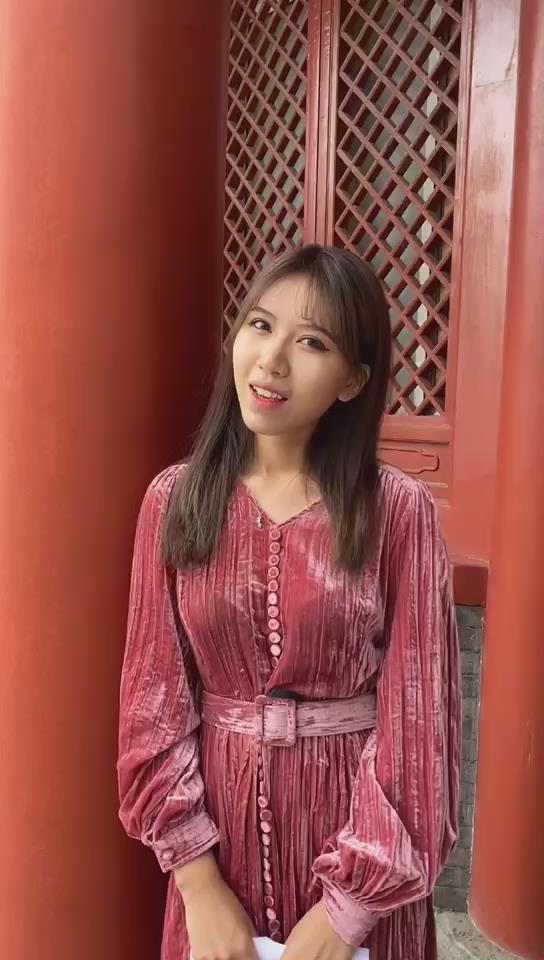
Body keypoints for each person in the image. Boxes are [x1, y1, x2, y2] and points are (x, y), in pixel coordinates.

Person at [117, 244, 460, 960]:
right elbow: (152, 712)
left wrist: (347, 913)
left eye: (311, 343)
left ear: (353, 380)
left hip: (360, 867)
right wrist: (199, 886)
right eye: (260, 325)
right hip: (218, 867)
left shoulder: (398, 512)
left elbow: (420, 727)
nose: (271, 361)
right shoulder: (176, 501)